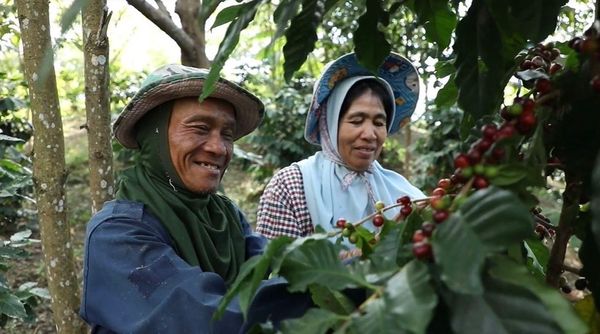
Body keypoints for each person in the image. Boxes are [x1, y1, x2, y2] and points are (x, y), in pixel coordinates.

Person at [79, 64, 311, 333]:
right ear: (154, 136)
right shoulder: (116, 233)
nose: (218, 148)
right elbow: (201, 317)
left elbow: (269, 262)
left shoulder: (225, 215)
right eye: (200, 128)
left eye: (227, 134)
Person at [256, 52, 426, 239]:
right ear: (331, 123)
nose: (370, 135)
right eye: (356, 121)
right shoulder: (292, 187)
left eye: (379, 123)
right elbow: (279, 265)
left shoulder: (401, 191)